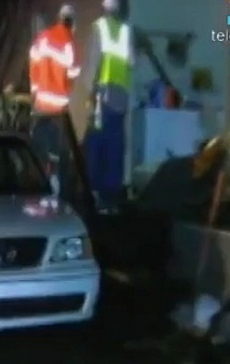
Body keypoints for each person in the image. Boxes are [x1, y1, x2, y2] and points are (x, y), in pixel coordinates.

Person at [83, 0, 133, 212]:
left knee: (96, 143)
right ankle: (112, 195)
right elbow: (131, 62)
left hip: (103, 95)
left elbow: (94, 61)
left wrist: (89, 92)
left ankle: (95, 194)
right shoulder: (125, 31)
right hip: (121, 98)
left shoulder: (99, 28)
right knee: (115, 145)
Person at [28, 3, 81, 198]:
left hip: (41, 105)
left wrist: (35, 92)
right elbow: (74, 71)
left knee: (41, 148)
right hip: (58, 108)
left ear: (59, 19)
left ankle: (40, 184)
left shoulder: (42, 38)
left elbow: (33, 64)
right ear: (72, 23)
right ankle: (58, 191)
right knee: (60, 153)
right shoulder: (69, 42)